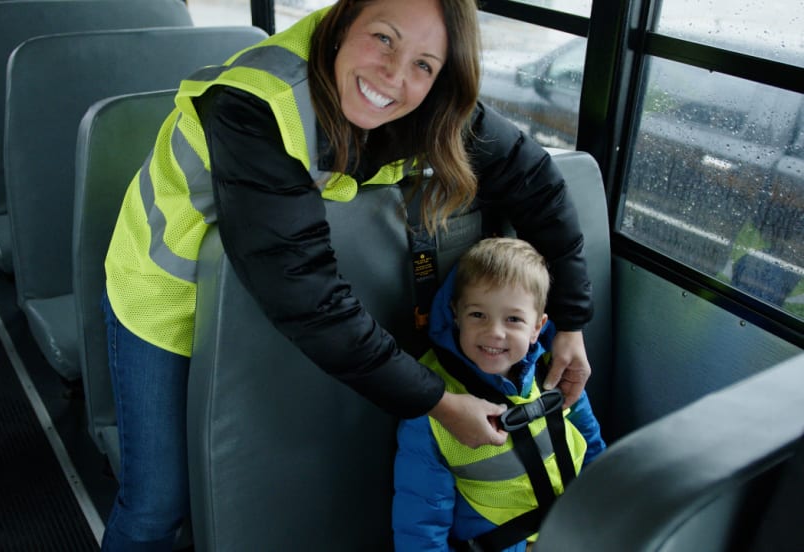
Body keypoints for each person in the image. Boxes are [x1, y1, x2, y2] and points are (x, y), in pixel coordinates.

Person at [101, 0, 594, 548]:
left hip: (259, 308)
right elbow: (303, 290)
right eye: (383, 38)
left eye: (424, 64)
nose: (395, 75)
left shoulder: (430, 105)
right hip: (165, 294)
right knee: (157, 507)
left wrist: (569, 323)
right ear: (341, 24)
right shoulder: (255, 105)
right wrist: (437, 401)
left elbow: (537, 185)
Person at [392, 237, 606, 551]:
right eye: (478, 315)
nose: (495, 332)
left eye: (514, 319)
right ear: (456, 314)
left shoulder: (554, 371)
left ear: (538, 326)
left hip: (575, 528)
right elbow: (420, 524)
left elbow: (592, 449)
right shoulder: (432, 404)